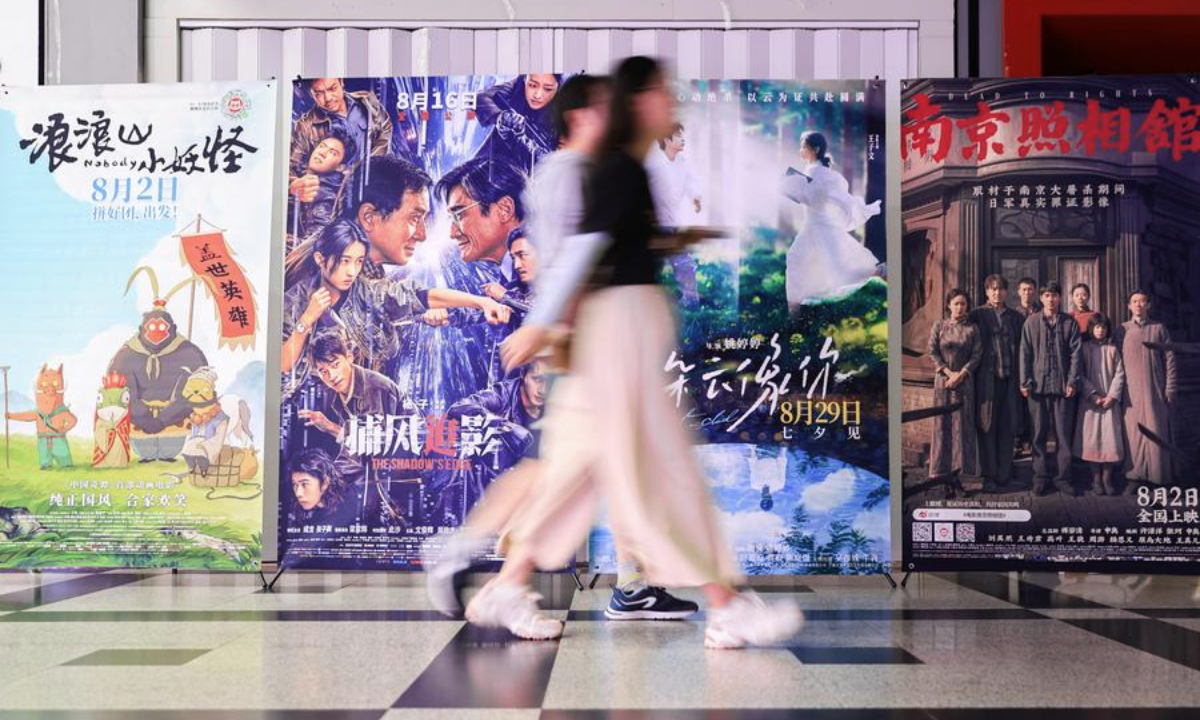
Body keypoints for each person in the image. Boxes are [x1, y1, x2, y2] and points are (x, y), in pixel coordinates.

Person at [476, 56, 803, 649]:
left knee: (578, 466)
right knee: (660, 469)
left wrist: (681, 239)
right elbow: (583, 247)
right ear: (640, 100)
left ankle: (508, 583)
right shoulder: (616, 168)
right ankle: (726, 603)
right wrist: (542, 323)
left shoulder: (624, 170)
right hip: (617, 331)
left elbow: (608, 242)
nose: (671, 104)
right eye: (662, 94)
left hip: (614, 330)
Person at [423, 74, 699, 625]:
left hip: (582, 333)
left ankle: (627, 580)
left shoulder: (582, 170)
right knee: (569, 463)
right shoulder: (572, 172)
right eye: (606, 108)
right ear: (581, 116)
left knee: (599, 460)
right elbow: (575, 254)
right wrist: (552, 329)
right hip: (579, 337)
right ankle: (484, 561)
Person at [781, 131, 881, 305]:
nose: (801, 150)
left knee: (839, 268)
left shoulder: (821, 173)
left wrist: (794, 187)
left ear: (815, 149)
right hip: (813, 225)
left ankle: (879, 272)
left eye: (804, 146)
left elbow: (816, 199)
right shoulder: (814, 172)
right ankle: (796, 308)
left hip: (821, 226)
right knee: (801, 260)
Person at [1020, 282, 1083, 496]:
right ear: (1041, 298)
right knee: (1037, 436)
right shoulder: (1031, 322)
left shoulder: (1069, 323)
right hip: (1037, 388)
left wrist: (1073, 381)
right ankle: (1040, 477)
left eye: (1054, 295)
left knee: (1063, 436)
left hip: (1064, 389)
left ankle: (1063, 478)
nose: (1050, 299)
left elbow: (1076, 353)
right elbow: (1025, 353)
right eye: (1047, 295)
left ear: (1060, 298)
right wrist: (1025, 381)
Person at [296, 328, 415, 442]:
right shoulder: (342, 396)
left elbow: (373, 443)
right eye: (323, 371)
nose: (331, 376)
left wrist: (330, 427)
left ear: (349, 357)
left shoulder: (372, 388)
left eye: (335, 365)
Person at [289, 78, 391, 202]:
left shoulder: (367, 101)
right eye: (318, 93)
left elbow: (385, 129)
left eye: (332, 88)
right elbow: (290, 166)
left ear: (341, 83)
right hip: (337, 198)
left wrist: (367, 169)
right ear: (311, 93)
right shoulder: (305, 126)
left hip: (375, 186)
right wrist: (293, 187)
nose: (328, 98)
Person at [1118, 289, 1177, 486]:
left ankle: (1159, 478)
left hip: (1155, 390)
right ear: (1128, 306)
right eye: (1134, 301)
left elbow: (1170, 360)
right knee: (1133, 433)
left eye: (1142, 301)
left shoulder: (1159, 328)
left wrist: (1170, 388)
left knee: (1156, 431)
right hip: (1130, 392)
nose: (1138, 305)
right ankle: (1135, 476)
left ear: (1148, 305)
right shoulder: (1123, 330)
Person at [969, 275, 1023, 490]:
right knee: (987, 427)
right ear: (986, 292)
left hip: (1010, 381)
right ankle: (989, 475)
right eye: (992, 289)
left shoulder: (1016, 317)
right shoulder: (977, 315)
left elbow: (1023, 349)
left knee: (1007, 428)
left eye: (1000, 289)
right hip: (986, 382)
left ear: (1006, 292)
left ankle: (1005, 474)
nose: (996, 293)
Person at [927, 289, 982, 497]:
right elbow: (932, 350)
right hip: (943, 381)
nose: (960, 307)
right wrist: (949, 373)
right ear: (949, 305)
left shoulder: (972, 329)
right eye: (956, 303)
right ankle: (942, 475)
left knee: (963, 427)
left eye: (963, 304)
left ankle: (960, 476)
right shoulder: (939, 326)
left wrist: (961, 374)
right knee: (943, 427)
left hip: (965, 382)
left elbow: (978, 354)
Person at [646, 123, 703, 307]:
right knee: (650, 266)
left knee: (684, 264)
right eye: (678, 136)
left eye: (683, 135)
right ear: (666, 140)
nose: (683, 139)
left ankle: (691, 301)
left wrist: (696, 198)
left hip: (671, 224)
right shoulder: (653, 164)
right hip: (651, 227)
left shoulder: (683, 163)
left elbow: (690, 184)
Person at [1075, 313, 1126, 496]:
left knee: (1110, 440)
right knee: (1092, 440)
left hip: (1110, 403)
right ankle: (1095, 479)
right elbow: (1079, 373)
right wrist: (1093, 395)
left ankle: (1107, 478)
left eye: (1103, 327)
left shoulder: (1113, 349)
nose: (1100, 330)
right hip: (1090, 402)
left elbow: (1120, 374)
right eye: (1097, 327)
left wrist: (1112, 396)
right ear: (1091, 329)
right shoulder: (1084, 348)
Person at [475, 73, 560, 171]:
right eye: (533, 85)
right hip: (487, 162)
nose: (538, 95)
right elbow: (481, 98)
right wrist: (501, 117)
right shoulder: (520, 83)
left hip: (525, 174)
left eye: (547, 89)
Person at [287, 127, 358, 243]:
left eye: (332, 153)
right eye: (322, 146)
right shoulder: (297, 171)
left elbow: (316, 240)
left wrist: (285, 239)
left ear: (340, 167)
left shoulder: (323, 192)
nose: (322, 153)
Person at [288, 447, 357, 525]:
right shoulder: (296, 511)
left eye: (304, 484)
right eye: (295, 484)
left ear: (325, 483)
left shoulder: (346, 510)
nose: (298, 493)